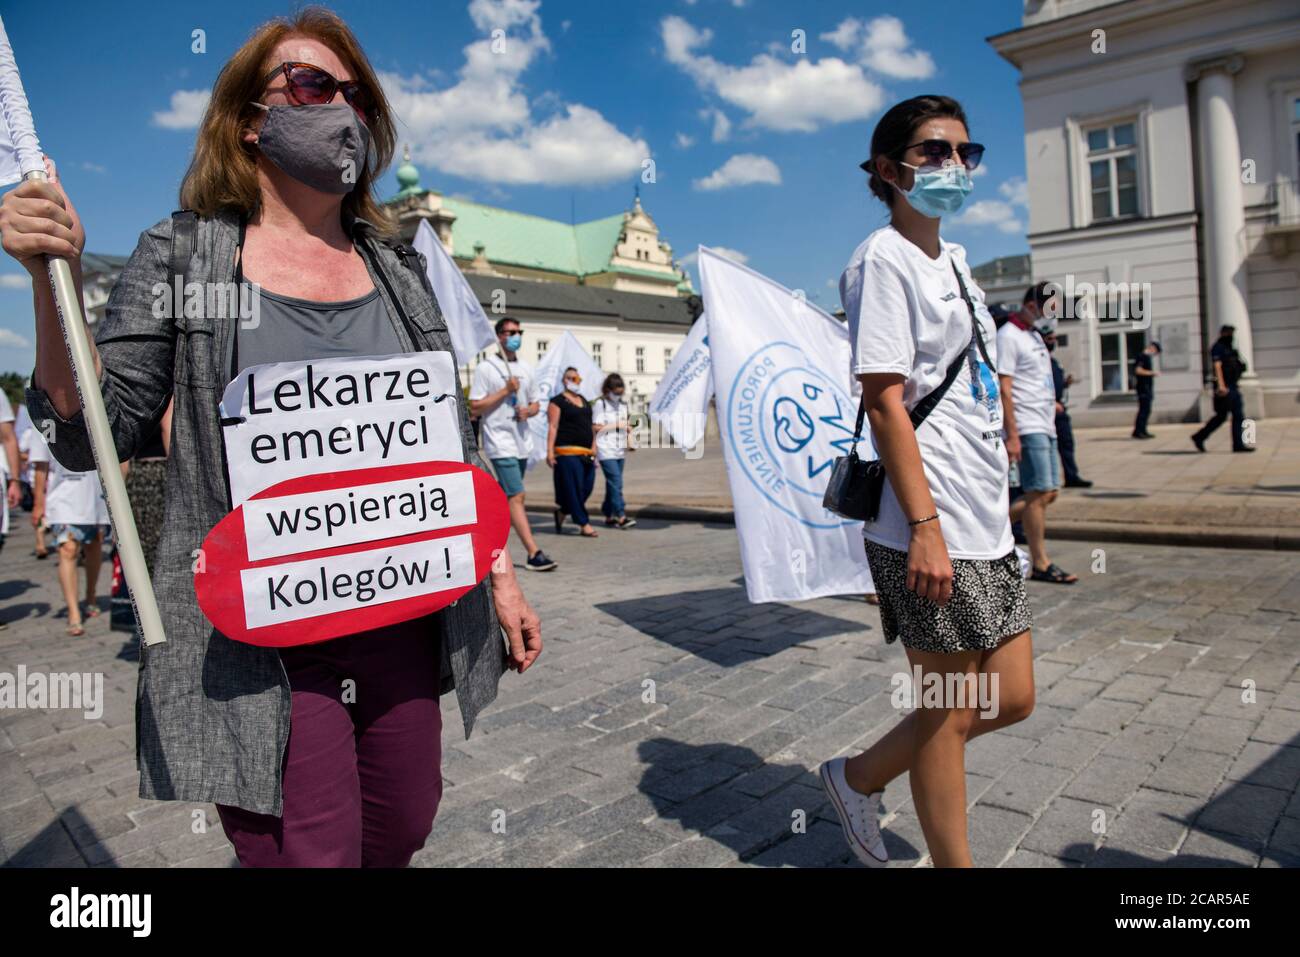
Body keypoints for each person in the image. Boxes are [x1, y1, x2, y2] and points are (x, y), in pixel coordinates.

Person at [5, 8, 541, 867]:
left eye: (356, 94)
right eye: (313, 85)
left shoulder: (394, 266)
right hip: (262, 634)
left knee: (403, 822)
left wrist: (501, 574)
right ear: (250, 120)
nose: (343, 108)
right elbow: (90, 431)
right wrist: (48, 284)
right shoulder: (188, 258)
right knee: (303, 848)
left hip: (401, 608)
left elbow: (447, 437)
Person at [824, 95, 1036, 869]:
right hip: (928, 515)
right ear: (890, 169)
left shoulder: (953, 259)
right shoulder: (881, 259)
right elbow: (883, 400)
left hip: (984, 514)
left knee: (1010, 695)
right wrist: (924, 525)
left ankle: (858, 776)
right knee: (948, 707)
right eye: (933, 152)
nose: (953, 166)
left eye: (963, 153)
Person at [1000, 283, 1076, 584]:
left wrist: (1052, 403)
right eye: (1049, 308)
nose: (1052, 316)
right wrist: (1013, 434)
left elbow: (1035, 379)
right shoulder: (1009, 336)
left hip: (1045, 423)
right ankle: (1041, 562)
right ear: (1031, 305)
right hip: (1027, 424)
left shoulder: (1034, 336)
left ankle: (988, 529)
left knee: (1049, 492)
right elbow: (1005, 388)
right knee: (1038, 492)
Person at [469, 317, 557, 570]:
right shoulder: (488, 367)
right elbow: (475, 405)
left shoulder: (528, 368)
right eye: (510, 332)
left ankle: (486, 541)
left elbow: (536, 403)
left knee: (507, 496)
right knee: (517, 495)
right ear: (499, 337)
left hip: (522, 442)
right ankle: (533, 552)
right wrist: (505, 391)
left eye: (519, 331)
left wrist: (528, 411)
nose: (516, 336)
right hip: (500, 440)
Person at [26, 429, 110, 636]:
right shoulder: (45, 421)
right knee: (68, 550)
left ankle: (90, 596)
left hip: (94, 496)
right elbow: (41, 465)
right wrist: (38, 503)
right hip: (62, 498)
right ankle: (73, 612)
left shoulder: (94, 408)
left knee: (94, 547)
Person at [547, 367, 598, 538]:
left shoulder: (584, 400)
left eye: (577, 378)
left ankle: (563, 511)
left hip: (586, 451)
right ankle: (584, 523)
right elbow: (553, 426)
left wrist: (594, 445)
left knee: (587, 487)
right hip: (566, 451)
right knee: (574, 488)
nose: (574, 381)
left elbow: (590, 425)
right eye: (570, 378)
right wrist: (550, 452)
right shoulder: (557, 401)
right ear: (564, 380)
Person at [1192, 324, 1254, 453]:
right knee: (1222, 416)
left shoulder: (1230, 347)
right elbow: (1217, 366)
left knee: (1237, 415)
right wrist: (1221, 385)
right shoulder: (1218, 347)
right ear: (1223, 333)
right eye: (1229, 333)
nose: (1231, 336)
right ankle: (1199, 436)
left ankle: (1238, 444)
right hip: (1224, 387)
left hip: (1233, 386)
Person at [1044, 330, 1091, 487]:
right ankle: (1048, 480)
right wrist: (1051, 402)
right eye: (1050, 339)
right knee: (1047, 447)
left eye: (1054, 339)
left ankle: (1071, 476)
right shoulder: (1039, 360)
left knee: (1067, 443)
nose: (1053, 342)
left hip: (1060, 408)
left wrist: (1065, 383)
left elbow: (1054, 383)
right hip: (1047, 409)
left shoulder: (1054, 361)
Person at [592, 372, 637, 529]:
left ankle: (608, 513)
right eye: (615, 392)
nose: (618, 395)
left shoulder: (623, 405)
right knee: (616, 481)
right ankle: (621, 515)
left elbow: (626, 424)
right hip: (605, 449)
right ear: (607, 390)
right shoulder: (601, 405)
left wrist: (629, 435)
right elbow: (596, 426)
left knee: (612, 483)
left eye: (620, 392)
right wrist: (616, 425)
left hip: (619, 450)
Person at [1132, 341, 1161, 439]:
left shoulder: (1146, 357)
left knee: (1146, 410)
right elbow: (1138, 370)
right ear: (1152, 348)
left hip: (1147, 387)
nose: (1154, 353)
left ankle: (1142, 430)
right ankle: (1138, 431)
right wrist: (1152, 373)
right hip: (1143, 388)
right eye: (1155, 351)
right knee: (1144, 410)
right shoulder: (1142, 356)